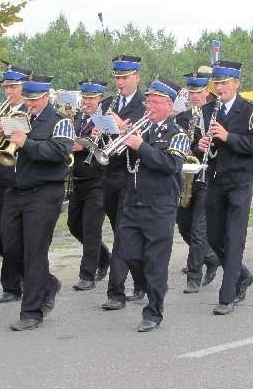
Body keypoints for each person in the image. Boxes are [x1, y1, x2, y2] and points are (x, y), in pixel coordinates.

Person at [111, 77, 189, 331]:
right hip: (133, 203)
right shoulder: (140, 129)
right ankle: (145, 285)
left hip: (160, 206)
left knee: (156, 262)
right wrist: (120, 135)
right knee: (128, 253)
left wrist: (141, 146)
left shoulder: (177, 134)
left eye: (155, 103)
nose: (150, 107)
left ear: (168, 105)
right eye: (148, 102)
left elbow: (171, 165)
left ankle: (153, 312)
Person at [1, 74, 74, 331]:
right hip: (16, 190)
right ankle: (47, 283)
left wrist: (27, 143)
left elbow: (59, 152)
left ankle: (31, 312)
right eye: (28, 98)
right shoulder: (18, 117)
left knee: (35, 250)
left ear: (45, 97)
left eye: (34, 99)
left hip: (45, 192)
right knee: (9, 247)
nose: (29, 103)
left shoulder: (60, 122)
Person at [198, 60, 253, 316]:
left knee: (234, 238)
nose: (219, 87)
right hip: (215, 180)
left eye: (224, 83)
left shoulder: (252, 110)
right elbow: (198, 142)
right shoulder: (207, 110)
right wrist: (201, 145)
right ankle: (243, 275)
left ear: (237, 83)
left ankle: (226, 297)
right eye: (216, 83)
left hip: (240, 182)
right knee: (214, 237)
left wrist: (228, 137)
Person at [101, 55, 148, 310]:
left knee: (122, 235)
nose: (119, 83)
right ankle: (141, 281)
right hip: (109, 174)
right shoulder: (108, 103)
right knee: (123, 233)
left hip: (132, 175)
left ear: (136, 77)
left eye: (124, 78)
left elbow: (145, 139)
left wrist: (121, 127)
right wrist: (98, 131)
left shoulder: (145, 105)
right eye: (117, 78)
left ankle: (115, 292)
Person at [0, 66, 30, 303]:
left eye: (13, 87)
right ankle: (26, 274)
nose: (8, 91)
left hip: (18, 180)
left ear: (24, 88)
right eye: (6, 87)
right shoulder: (2, 112)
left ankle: (13, 285)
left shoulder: (26, 113)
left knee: (11, 235)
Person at [175, 70, 220, 293]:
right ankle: (211, 258)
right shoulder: (182, 118)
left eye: (199, 91)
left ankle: (194, 276)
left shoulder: (215, 114)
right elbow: (179, 147)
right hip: (188, 177)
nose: (194, 95)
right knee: (183, 225)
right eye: (191, 91)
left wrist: (209, 145)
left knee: (198, 229)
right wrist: (195, 147)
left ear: (207, 91)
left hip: (209, 177)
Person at [68, 78, 110, 291]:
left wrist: (92, 141)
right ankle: (103, 256)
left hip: (98, 180)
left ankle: (88, 275)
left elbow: (110, 146)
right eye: (84, 97)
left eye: (91, 98)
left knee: (91, 228)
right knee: (73, 225)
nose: (86, 101)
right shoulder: (77, 116)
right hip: (78, 179)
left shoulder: (104, 118)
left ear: (100, 98)